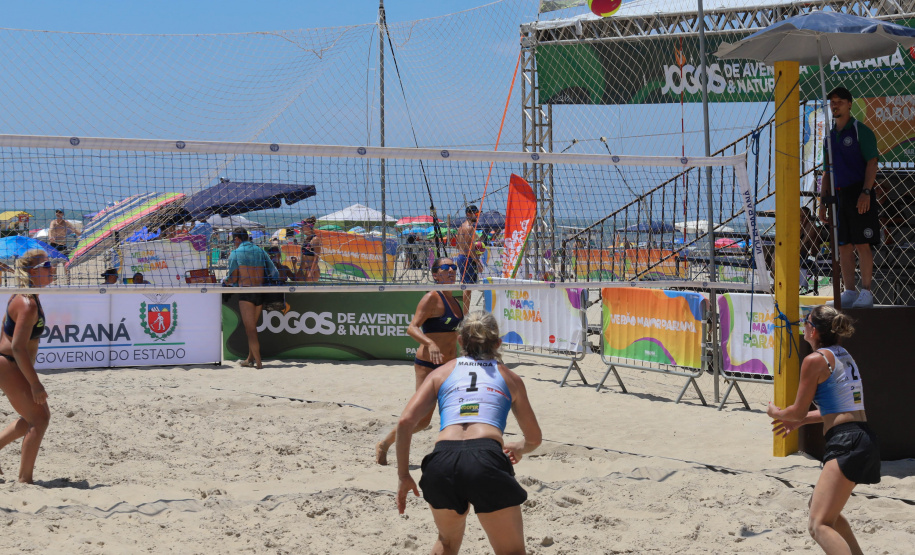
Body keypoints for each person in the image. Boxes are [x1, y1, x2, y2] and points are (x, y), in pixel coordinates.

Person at [395, 311, 542, 554]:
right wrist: (520, 447)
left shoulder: (440, 373)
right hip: (485, 458)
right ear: (497, 343)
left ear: (460, 341)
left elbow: (404, 422)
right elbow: (535, 438)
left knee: (447, 542)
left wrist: (403, 475)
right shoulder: (510, 377)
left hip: (442, 459)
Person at [768, 305, 879, 554]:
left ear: (813, 331)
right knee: (824, 513)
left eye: (805, 322)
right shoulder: (843, 355)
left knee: (818, 525)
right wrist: (800, 421)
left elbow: (796, 410)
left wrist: (776, 413)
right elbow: (836, 411)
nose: (803, 326)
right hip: (863, 438)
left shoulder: (815, 360)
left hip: (847, 442)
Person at [375, 258, 464, 465]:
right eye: (445, 267)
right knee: (421, 419)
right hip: (429, 365)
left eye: (453, 267)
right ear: (435, 275)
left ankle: (450, 457)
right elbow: (412, 327)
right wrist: (429, 343)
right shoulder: (432, 297)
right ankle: (385, 443)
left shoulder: (455, 299)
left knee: (450, 414)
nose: (451, 270)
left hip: (450, 366)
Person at [818, 87, 880, 309]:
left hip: (858, 192)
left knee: (862, 243)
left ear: (850, 104)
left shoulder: (859, 130)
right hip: (838, 194)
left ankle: (867, 292)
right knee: (843, 245)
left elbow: (872, 163)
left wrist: (866, 192)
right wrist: (822, 202)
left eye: (840, 102)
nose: (835, 105)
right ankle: (850, 291)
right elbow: (826, 171)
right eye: (832, 102)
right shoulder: (828, 136)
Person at [0, 249, 53, 483]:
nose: (53, 269)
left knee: (31, 417)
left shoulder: (30, 296)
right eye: (48, 265)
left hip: (12, 365)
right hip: (9, 364)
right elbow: (18, 347)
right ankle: (25, 480)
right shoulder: (27, 303)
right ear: (33, 271)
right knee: (40, 418)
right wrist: (35, 383)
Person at [225, 228, 278, 369]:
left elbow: (233, 278)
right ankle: (249, 358)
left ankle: (259, 363)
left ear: (237, 239)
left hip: (247, 293)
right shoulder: (260, 251)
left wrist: (225, 281)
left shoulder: (235, 253)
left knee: (251, 330)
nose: (233, 243)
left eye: (233, 240)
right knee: (252, 328)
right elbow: (274, 272)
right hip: (260, 292)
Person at [455, 205, 481, 310]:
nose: (478, 216)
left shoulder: (461, 227)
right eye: (476, 213)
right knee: (467, 288)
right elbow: (469, 249)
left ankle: (465, 312)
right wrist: (477, 262)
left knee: (467, 288)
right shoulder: (469, 228)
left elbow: (458, 245)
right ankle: (465, 314)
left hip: (462, 257)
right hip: (467, 259)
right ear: (468, 214)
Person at [297, 216, 322, 283]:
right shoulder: (306, 240)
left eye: (302, 226)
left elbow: (317, 258)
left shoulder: (315, 239)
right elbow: (303, 257)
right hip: (303, 269)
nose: (301, 228)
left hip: (311, 269)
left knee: (309, 291)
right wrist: (300, 269)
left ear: (308, 227)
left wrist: (311, 272)